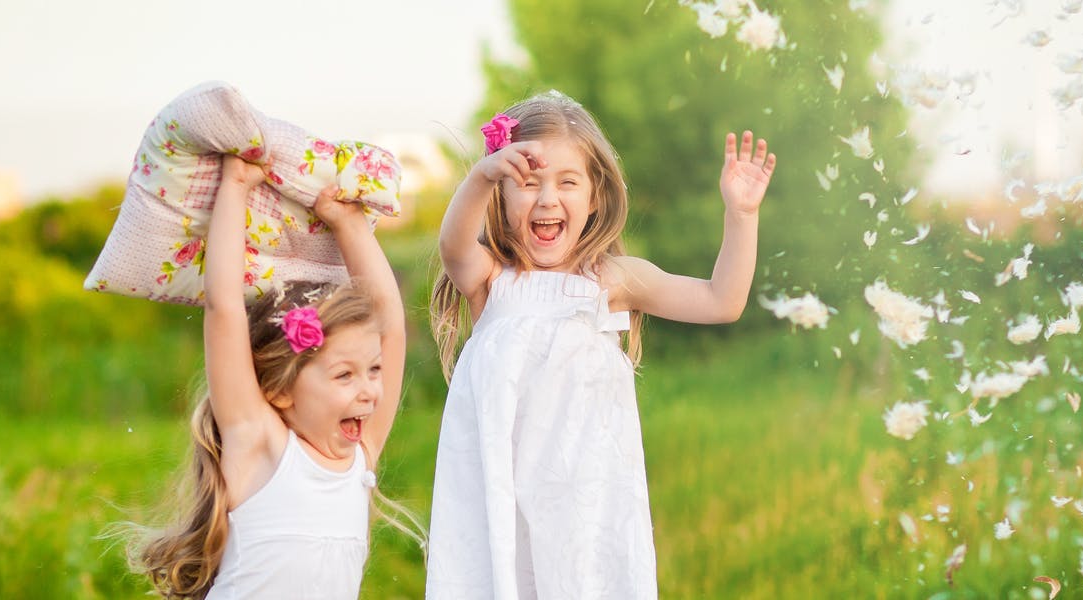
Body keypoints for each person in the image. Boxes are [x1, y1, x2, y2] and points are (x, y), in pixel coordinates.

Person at [426, 90, 777, 598]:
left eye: (567, 182)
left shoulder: (612, 280)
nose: (547, 199)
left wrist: (741, 217)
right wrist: (481, 176)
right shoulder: (491, 281)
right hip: (501, 500)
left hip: (587, 509)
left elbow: (721, 301)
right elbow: (452, 245)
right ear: (501, 196)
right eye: (527, 183)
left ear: (594, 198)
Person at [127, 155, 417, 599]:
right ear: (280, 390)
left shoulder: (361, 453)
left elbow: (391, 328)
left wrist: (350, 226)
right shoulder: (261, 445)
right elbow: (224, 309)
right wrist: (236, 186)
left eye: (373, 371)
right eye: (344, 375)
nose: (369, 392)